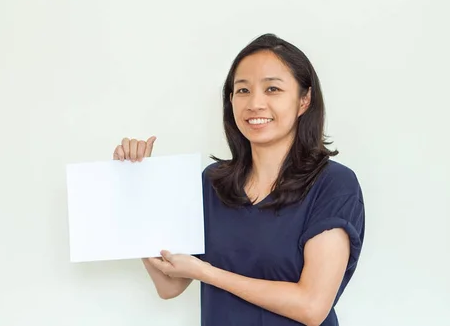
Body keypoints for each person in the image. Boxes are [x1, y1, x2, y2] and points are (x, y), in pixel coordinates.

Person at [112, 33, 365, 326]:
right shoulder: (213, 183)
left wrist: (207, 273)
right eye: (242, 90)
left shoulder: (333, 184)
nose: (255, 103)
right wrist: (138, 185)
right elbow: (169, 286)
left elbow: (311, 306)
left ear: (304, 100)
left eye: (272, 89)